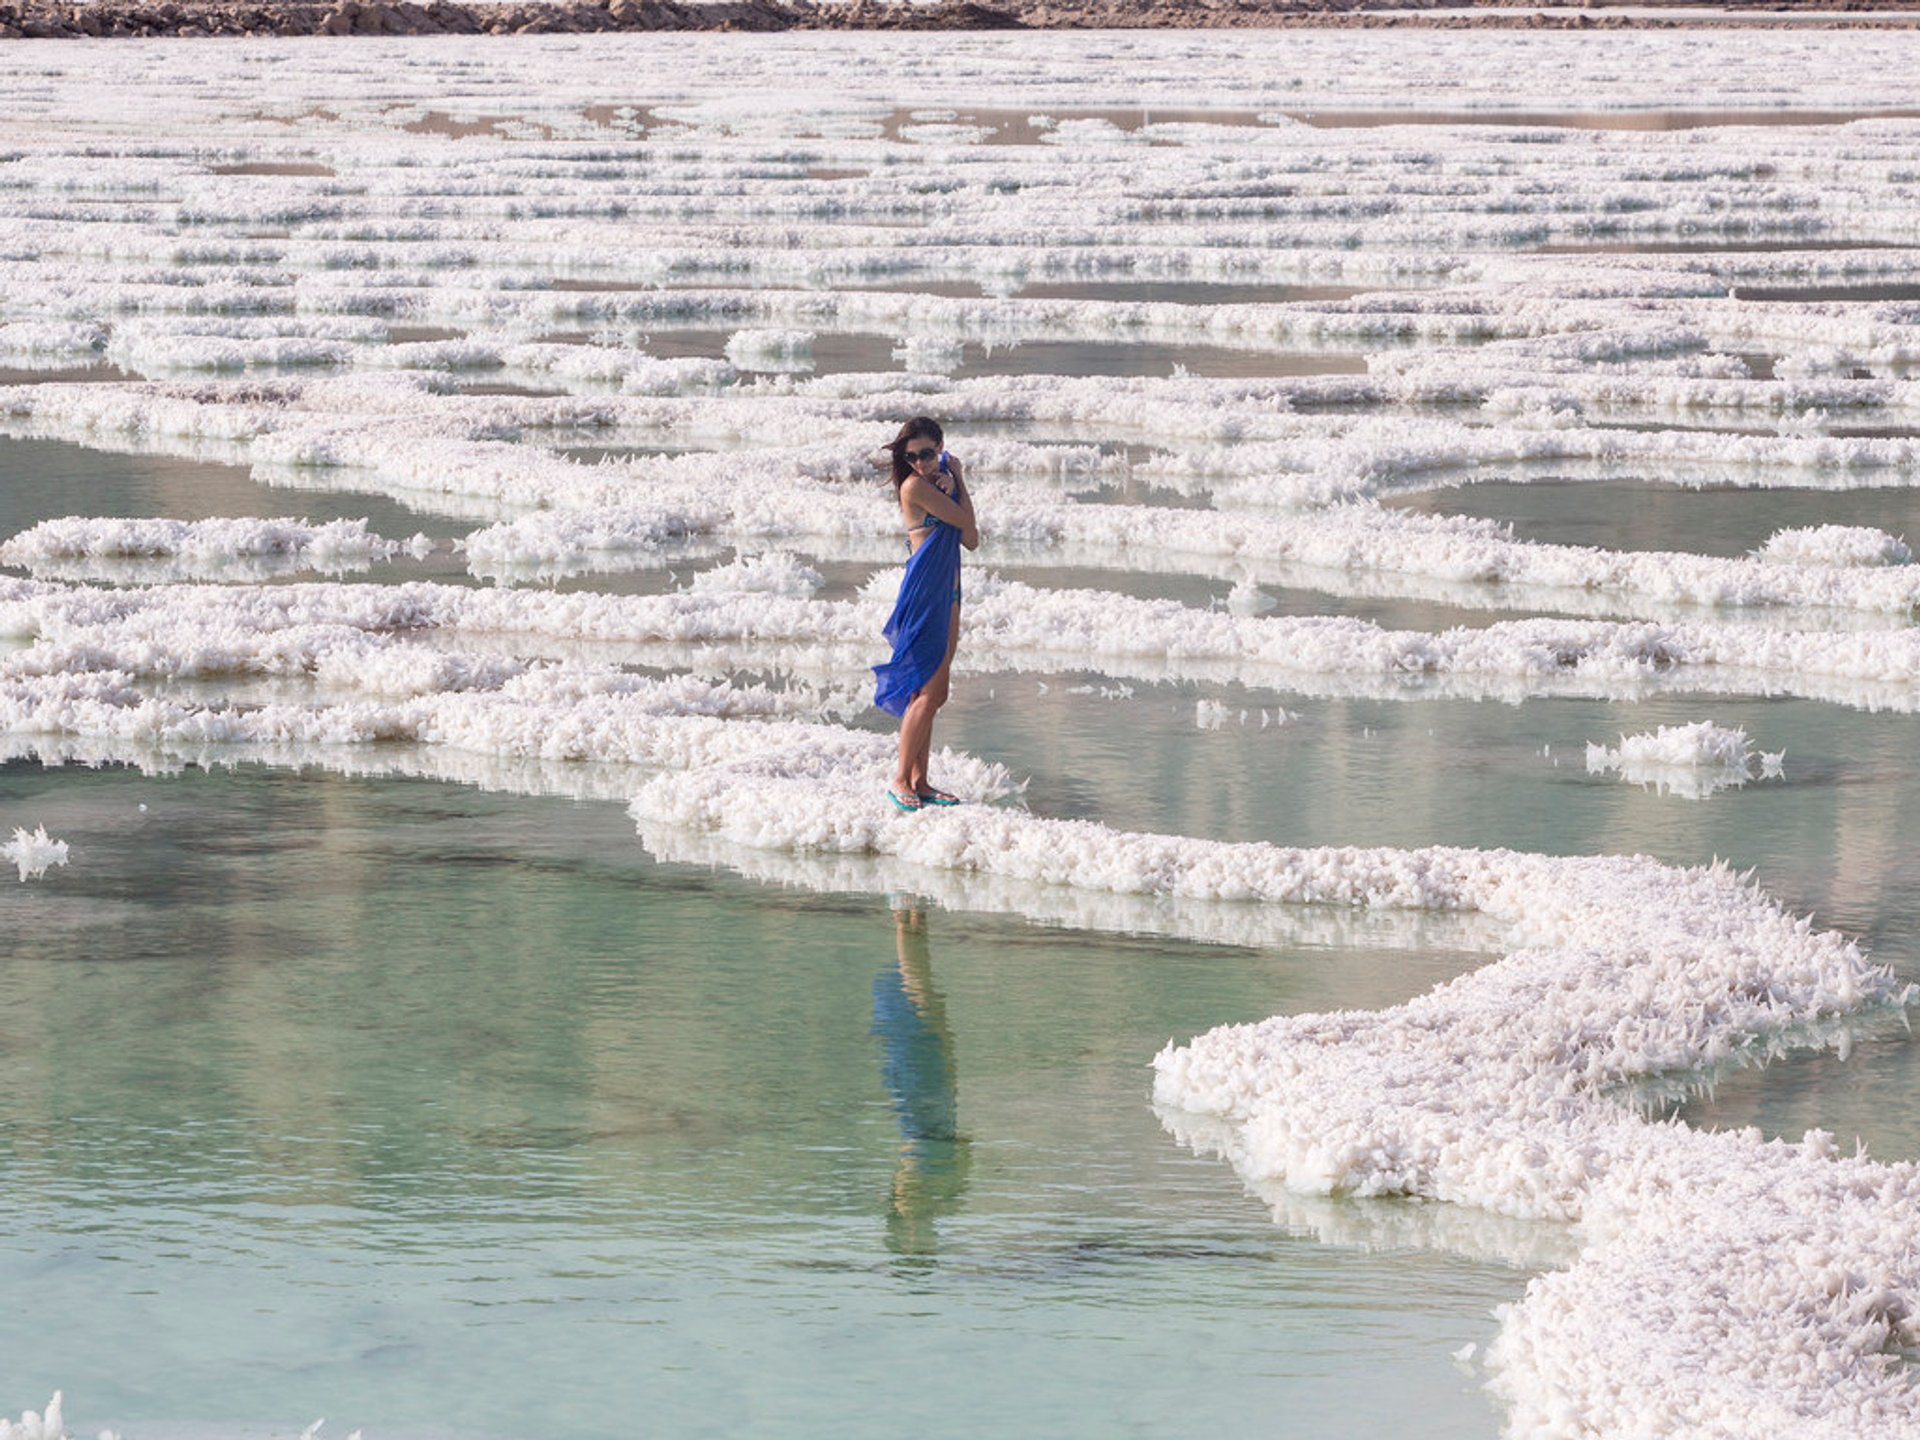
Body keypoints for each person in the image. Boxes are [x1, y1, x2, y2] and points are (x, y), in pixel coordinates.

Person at [872, 416, 978, 812]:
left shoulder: (937, 480)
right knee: (932, 692)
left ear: (940, 446)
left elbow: (971, 541)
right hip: (924, 596)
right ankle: (901, 778)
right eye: (912, 455)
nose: (920, 463)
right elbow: (967, 523)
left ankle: (921, 780)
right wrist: (956, 479)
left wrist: (950, 477)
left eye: (928, 454)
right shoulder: (916, 486)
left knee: (928, 691)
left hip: (947, 593)